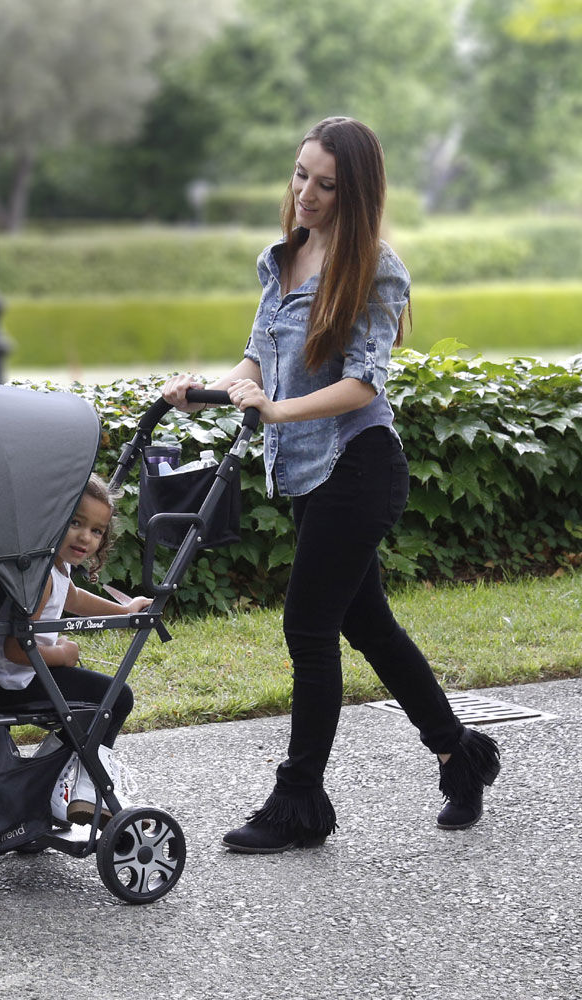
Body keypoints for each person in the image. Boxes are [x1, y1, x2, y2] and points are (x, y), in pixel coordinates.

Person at [162, 116, 500, 854]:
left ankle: (298, 804)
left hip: (360, 464)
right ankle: (459, 755)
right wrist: (206, 391)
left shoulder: (376, 268)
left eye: (325, 184)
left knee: (308, 629)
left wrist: (276, 408)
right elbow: (255, 362)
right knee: (368, 623)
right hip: (309, 471)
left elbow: (360, 384)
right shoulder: (281, 257)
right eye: (299, 175)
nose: (306, 194)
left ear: (356, 191)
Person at [0, 473, 152, 826]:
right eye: (75, 523)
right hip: (18, 680)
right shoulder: (40, 578)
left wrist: (122, 611)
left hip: (11, 676)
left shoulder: (51, 566)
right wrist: (64, 653)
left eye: (97, 531)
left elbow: (70, 596)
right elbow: (16, 648)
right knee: (117, 698)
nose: (85, 537)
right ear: (52, 518)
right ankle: (87, 788)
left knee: (93, 705)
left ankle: (43, 782)